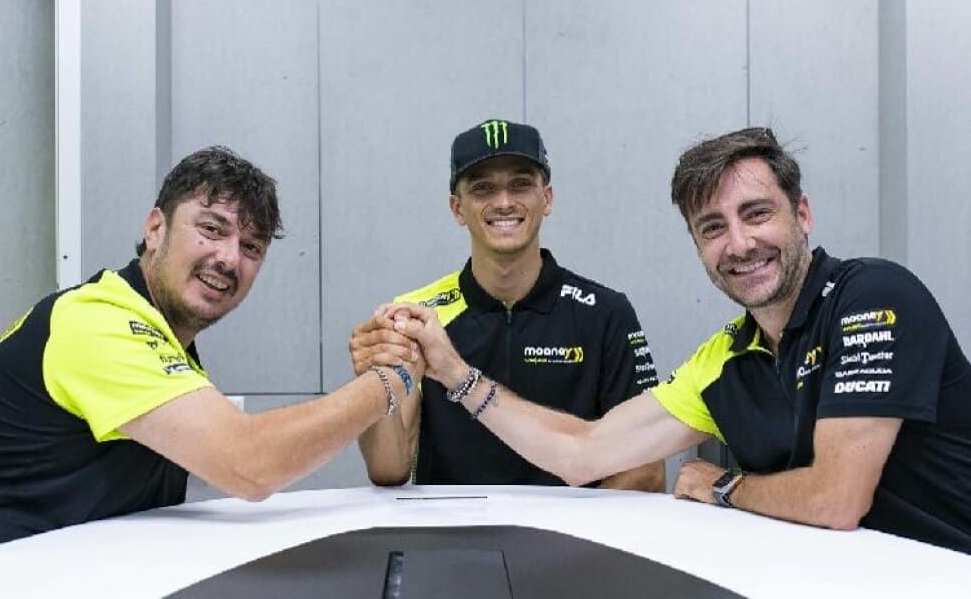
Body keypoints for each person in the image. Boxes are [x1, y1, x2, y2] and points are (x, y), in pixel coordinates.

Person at [386, 127, 971, 554]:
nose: (739, 244)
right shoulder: (724, 359)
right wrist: (456, 374)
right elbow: (582, 451)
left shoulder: (871, 296)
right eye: (712, 227)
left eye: (756, 214)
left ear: (803, 214)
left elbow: (836, 499)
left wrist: (727, 486)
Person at [0, 146, 418, 545]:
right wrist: (394, 379)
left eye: (251, 247)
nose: (230, 258)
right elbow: (249, 464)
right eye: (212, 229)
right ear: (155, 229)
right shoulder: (98, 322)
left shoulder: (164, 340)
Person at [350, 119, 664, 488]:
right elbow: (389, 470)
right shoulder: (417, 316)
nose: (503, 203)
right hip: (454, 527)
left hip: (569, 528)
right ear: (457, 208)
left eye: (520, 184)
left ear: (546, 199)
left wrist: (569, 528)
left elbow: (645, 469)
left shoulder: (605, 313)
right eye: (483, 188)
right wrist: (374, 382)